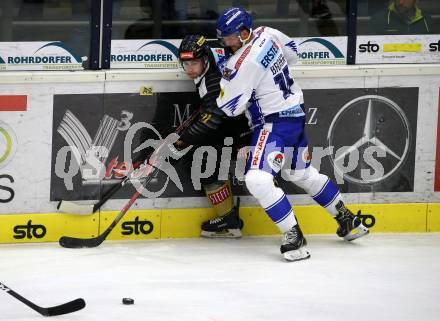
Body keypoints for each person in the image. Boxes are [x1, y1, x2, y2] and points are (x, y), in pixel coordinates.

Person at [215, 7, 370, 262]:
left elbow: (230, 107)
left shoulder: (242, 63)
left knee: (257, 179)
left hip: (273, 124)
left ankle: (293, 235)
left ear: (244, 33)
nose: (226, 43)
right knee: (300, 173)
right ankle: (347, 219)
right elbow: (293, 54)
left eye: (230, 37)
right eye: (223, 38)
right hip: (295, 115)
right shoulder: (267, 32)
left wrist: (226, 73)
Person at [176, 34, 251, 238]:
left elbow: (212, 120)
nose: (190, 69)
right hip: (235, 124)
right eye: (186, 64)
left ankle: (290, 226)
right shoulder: (213, 53)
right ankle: (230, 220)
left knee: (260, 177)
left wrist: (182, 141)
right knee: (208, 163)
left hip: (246, 128)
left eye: (194, 63)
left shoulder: (211, 81)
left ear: (205, 59)